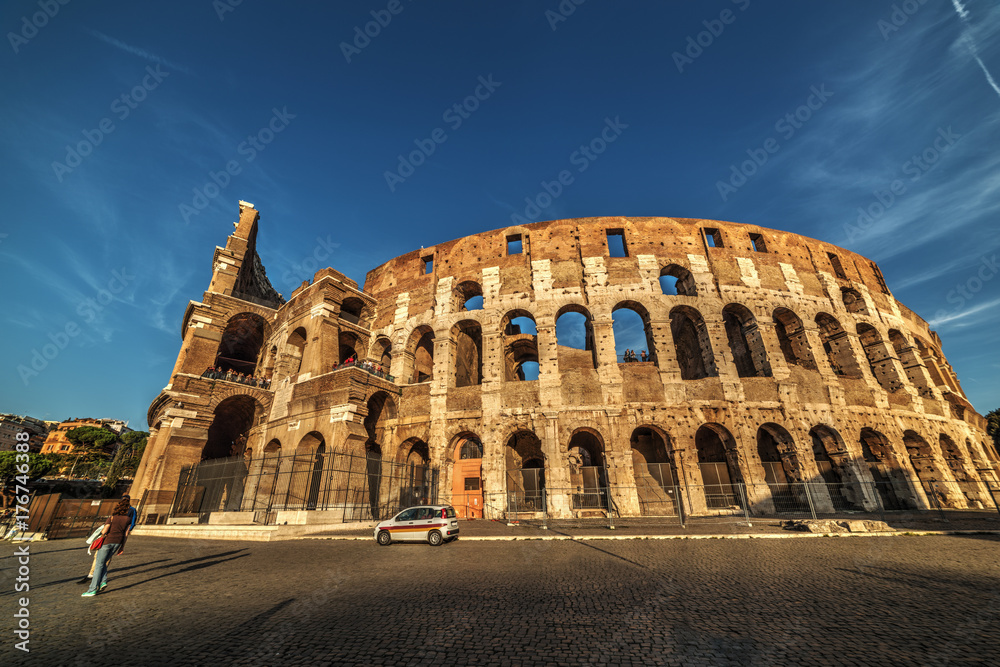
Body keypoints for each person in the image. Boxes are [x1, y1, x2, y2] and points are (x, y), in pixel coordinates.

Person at [79, 495, 137, 584]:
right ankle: (97, 576)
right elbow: (131, 524)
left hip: (111, 536)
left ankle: (95, 577)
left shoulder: (128, 510)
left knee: (101, 557)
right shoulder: (126, 512)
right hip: (118, 537)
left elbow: (130, 523)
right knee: (104, 557)